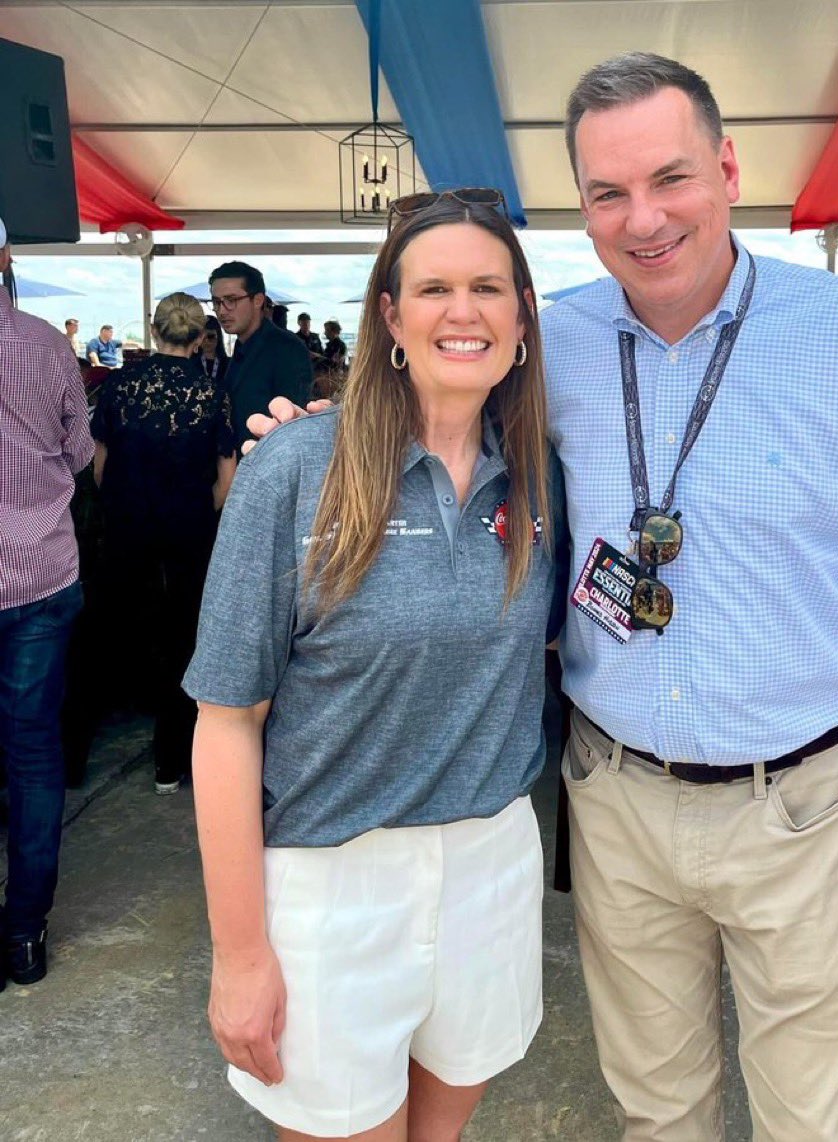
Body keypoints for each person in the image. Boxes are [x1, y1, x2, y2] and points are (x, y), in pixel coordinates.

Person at [252, 54, 838, 1140]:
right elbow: (431, 418)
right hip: (613, 793)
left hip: (796, 799)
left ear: (730, 168)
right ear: (582, 205)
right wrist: (307, 448)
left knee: (816, 1111)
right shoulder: (548, 343)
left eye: (670, 178)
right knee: (655, 1104)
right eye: (607, 192)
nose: (642, 218)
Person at [184, 195, 564, 1140]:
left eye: (487, 288)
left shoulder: (543, 474)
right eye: (433, 288)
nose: (462, 312)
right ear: (391, 316)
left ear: (521, 313)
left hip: (491, 870)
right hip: (329, 887)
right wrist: (238, 954)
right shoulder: (300, 466)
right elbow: (227, 719)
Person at [92, 292, 236, 794]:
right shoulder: (210, 392)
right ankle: (172, 761)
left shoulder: (118, 385)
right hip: (189, 529)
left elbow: (100, 465)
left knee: (124, 629)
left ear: (155, 332)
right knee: (185, 640)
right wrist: (197, 514)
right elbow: (227, 478)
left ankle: (87, 744)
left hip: (129, 525)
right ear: (200, 339)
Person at [0, 216, 93, 990]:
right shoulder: (43, 343)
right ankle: (23, 932)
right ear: (4, 257)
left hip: (36, 576)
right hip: (39, 571)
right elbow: (79, 449)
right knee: (32, 756)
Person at [208, 262, 312, 453]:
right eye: (216, 302)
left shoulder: (287, 349)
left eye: (231, 300)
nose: (222, 310)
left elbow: (294, 424)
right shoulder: (241, 346)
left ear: (258, 300)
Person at [196, 315, 229, 384]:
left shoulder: (229, 364)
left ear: (218, 336)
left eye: (211, 336)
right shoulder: (190, 363)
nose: (206, 341)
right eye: (202, 337)